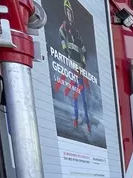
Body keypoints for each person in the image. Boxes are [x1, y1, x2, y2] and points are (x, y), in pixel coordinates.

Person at [59, 0, 90, 133]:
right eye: (67, 13)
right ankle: (76, 119)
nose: (69, 15)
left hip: (80, 69)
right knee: (76, 96)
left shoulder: (76, 32)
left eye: (70, 13)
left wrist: (82, 64)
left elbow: (84, 50)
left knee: (83, 97)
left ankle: (87, 122)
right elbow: (64, 47)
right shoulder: (63, 29)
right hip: (71, 67)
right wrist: (70, 60)